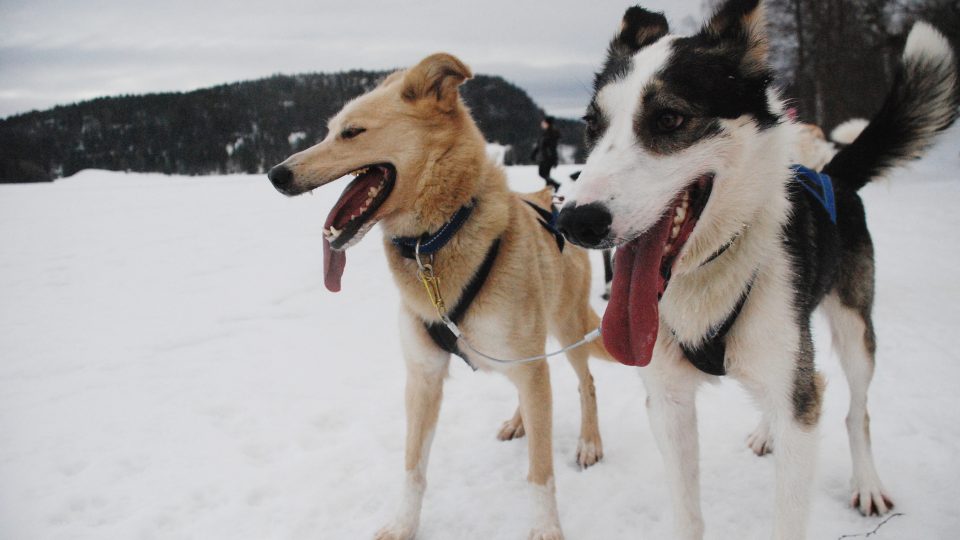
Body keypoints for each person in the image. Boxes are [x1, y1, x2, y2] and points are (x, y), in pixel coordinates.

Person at [531, 116, 561, 190]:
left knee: (543, 173)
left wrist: (554, 159)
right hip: (544, 157)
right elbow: (539, 145)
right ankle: (550, 188)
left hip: (548, 157)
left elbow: (552, 148)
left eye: (544, 122)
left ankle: (554, 185)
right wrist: (534, 154)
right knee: (544, 174)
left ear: (547, 123)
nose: (542, 124)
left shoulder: (551, 134)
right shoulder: (545, 133)